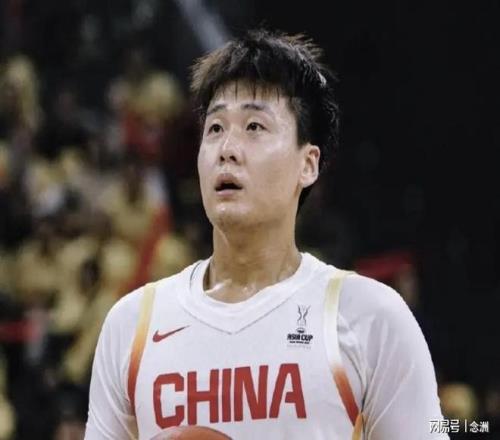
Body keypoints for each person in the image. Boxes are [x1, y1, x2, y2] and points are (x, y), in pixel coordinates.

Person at [85, 29, 448, 439]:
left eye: (254, 126)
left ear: (308, 164)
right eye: (215, 128)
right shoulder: (132, 325)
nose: (227, 148)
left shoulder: (369, 317)